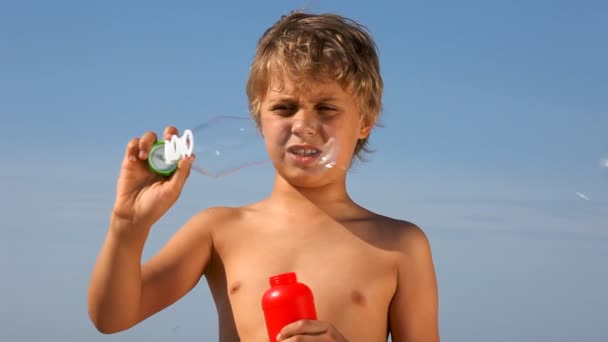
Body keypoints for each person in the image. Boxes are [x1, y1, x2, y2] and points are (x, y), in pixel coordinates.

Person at [87, 11, 439, 342]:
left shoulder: (400, 245)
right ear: (259, 119)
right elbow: (113, 317)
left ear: (365, 120)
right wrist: (128, 226)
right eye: (284, 108)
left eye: (326, 108)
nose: (303, 125)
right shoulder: (218, 231)